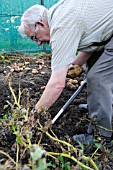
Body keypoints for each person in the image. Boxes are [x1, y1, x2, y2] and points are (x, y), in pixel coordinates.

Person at [18, 0, 113, 147]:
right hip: (107, 32)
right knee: (92, 66)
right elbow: (92, 40)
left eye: (34, 37)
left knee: (98, 77)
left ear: (41, 24)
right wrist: (75, 65)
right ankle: (99, 107)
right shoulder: (58, 13)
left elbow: (57, 84)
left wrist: (33, 117)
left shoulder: (61, 25)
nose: (37, 43)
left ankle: (101, 139)